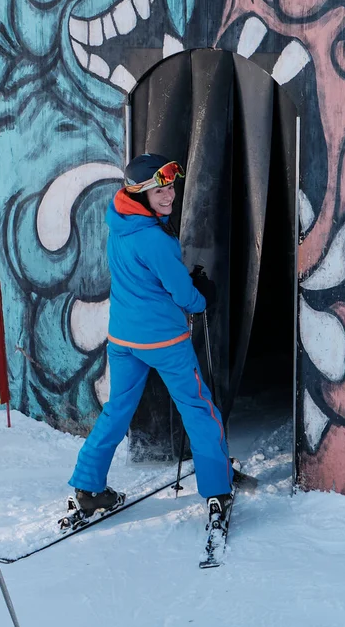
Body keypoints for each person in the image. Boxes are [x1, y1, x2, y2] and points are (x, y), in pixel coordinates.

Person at [67, 153, 234, 548]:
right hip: (164, 343)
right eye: (160, 190)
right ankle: (216, 490)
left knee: (117, 410)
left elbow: (147, 277)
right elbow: (186, 297)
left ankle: (88, 488)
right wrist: (202, 294)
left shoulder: (119, 219)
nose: (170, 195)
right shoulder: (155, 239)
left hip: (124, 340)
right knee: (198, 409)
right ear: (140, 194)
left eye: (171, 187)